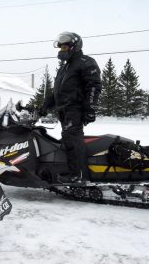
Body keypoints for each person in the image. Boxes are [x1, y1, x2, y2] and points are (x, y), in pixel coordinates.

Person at [42, 31, 101, 183]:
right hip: (64, 110)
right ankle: (71, 170)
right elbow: (57, 92)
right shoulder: (65, 68)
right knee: (67, 140)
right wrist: (43, 107)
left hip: (75, 109)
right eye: (60, 47)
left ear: (74, 46)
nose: (62, 50)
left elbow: (94, 86)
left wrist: (90, 108)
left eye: (65, 47)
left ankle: (78, 176)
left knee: (72, 140)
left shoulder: (85, 62)